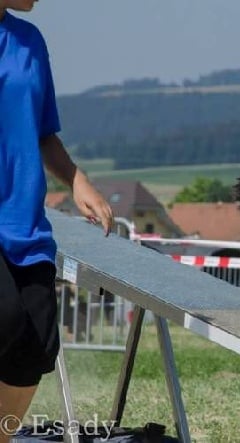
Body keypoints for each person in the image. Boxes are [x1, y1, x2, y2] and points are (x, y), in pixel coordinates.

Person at [0, 2, 114, 438]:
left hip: (24, 222)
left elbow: (43, 129)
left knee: (35, 347)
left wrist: (76, 179)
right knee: (4, 318)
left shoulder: (30, 41)